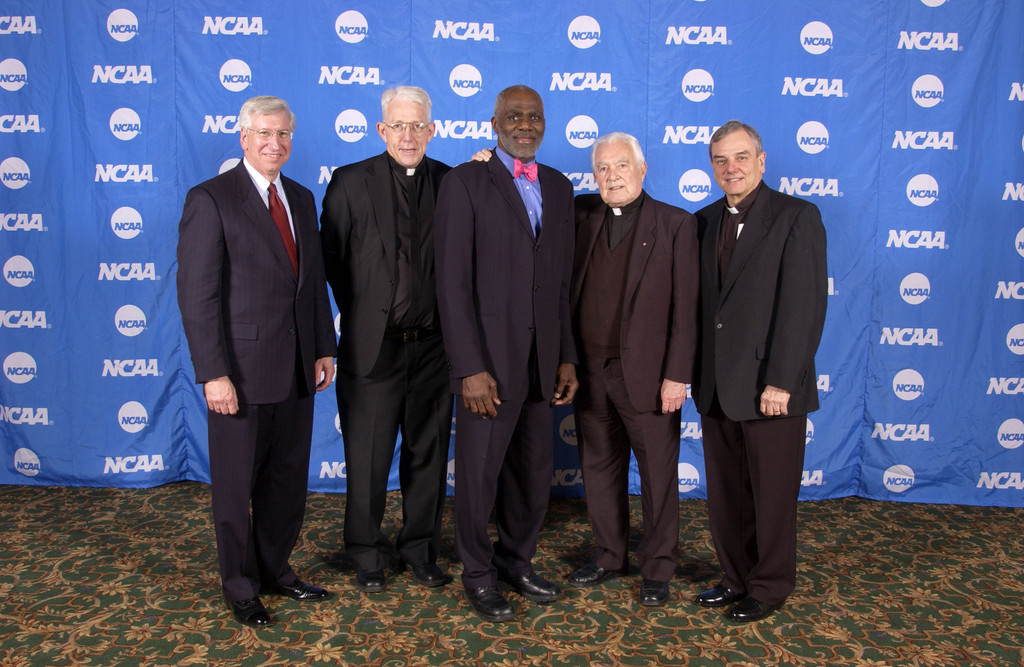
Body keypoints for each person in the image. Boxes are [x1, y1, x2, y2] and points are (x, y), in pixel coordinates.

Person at [176, 95, 337, 628]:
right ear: (243, 138)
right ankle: (239, 585)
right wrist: (213, 373)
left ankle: (275, 570)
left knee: (286, 481)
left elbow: (311, 284)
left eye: (284, 134)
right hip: (238, 376)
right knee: (235, 484)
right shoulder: (211, 199)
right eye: (265, 134)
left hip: (295, 368)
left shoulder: (302, 197)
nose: (275, 143)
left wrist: (321, 347)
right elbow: (198, 297)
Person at [434, 84, 578, 622]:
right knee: (478, 474)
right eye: (513, 116)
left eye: (534, 116)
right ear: (493, 122)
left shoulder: (560, 188)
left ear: (545, 123)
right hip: (488, 367)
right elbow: (450, 285)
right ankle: (477, 572)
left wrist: (566, 355)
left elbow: (560, 283)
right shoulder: (464, 182)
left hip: (543, 365)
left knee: (532, 473)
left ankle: (517, 560)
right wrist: (469, 367)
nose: (525, 124)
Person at [692, 120, 827, 623]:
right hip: (716, 387)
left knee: (770, 497)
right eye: (721, 160)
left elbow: (804, 305)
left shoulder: (796, 216)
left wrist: (781, 380)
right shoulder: (702, 221)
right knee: (727, 496)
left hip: (771, 387)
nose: (732, 168)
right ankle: (734, 578)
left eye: (741, 157)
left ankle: (768, 586)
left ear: (762, 160)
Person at [319, 86, 454, 594]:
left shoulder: (452, 182)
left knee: (429, 453)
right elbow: (330, 260)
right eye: (398, 126)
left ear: (432, 129)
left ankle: (420, 548)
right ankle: (367, 551)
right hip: (372, 345)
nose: (408, 135)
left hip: (434, 347)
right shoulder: (350, 182)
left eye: (418, 125)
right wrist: (364, 310)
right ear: (381, 130)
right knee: (369, 456)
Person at [566, 132, 699, 607]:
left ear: (643, 170)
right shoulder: (580, 214)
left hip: (648, 375)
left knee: (659, 474)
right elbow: (523, 194)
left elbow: (688, 308)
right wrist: (484, 163)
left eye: (622, 166)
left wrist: (677, 375)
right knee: (599, 468)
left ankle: (658, 566)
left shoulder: (676, 224)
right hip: (589, 371)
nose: (612, 176)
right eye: (602, 168)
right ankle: (608, 555)